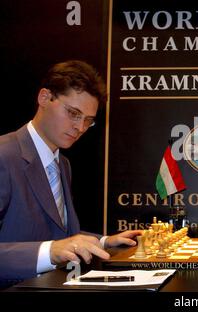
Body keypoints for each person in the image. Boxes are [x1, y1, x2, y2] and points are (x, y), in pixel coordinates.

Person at [0, 60, 141, 286]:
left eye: (88, 120)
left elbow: (60, 233)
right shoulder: (4, 156)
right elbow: (54, 246)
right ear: (44, 98)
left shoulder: (62, 164)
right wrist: (51, 251)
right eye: (73, 113)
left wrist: (104, 241)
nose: (80, 127)